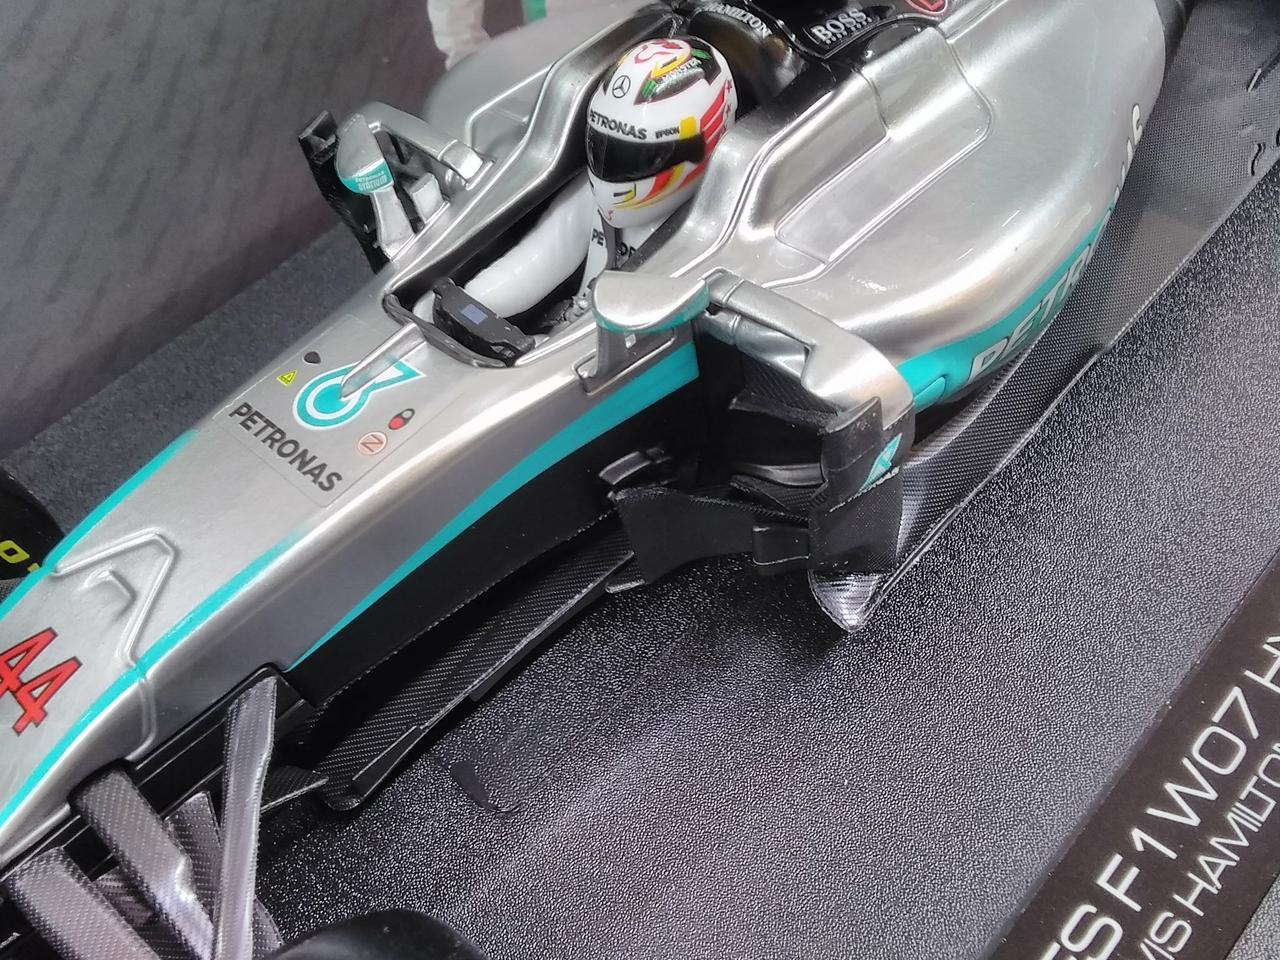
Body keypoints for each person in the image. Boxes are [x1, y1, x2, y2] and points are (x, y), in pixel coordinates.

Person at [461, 36, 739, 320]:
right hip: (570, 336)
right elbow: (527, 266)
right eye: (602, 146)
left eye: (640, 157)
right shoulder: (589, 196)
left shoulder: (718, 235)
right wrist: (464, 308)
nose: (611, 169)